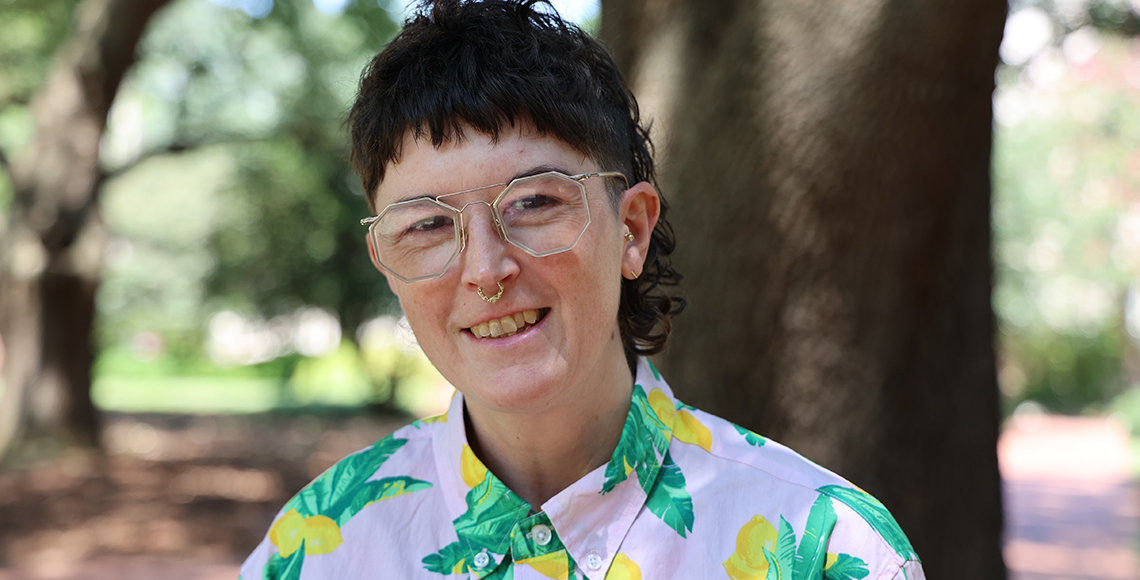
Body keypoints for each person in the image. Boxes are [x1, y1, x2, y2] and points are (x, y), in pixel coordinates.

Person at [241, 1, 925, 578]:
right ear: (386, 264)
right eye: (425, 225)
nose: (485, 269)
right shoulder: (315, 548)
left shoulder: (827, 550)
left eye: (534, 203)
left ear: (631, 230)